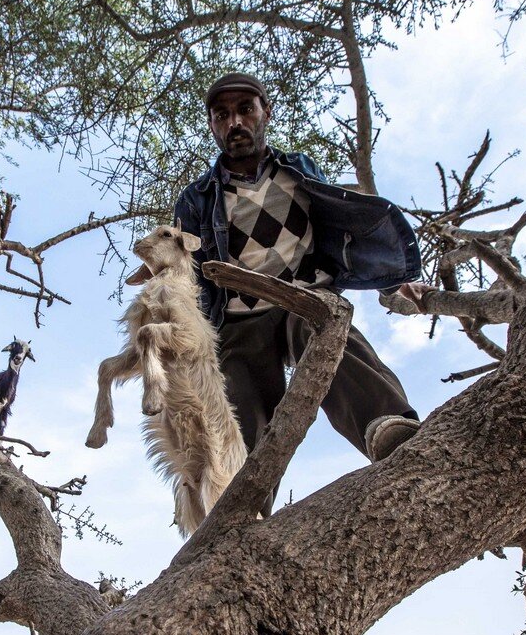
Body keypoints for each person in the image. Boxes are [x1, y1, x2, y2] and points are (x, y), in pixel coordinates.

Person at [167, 72, 430, 512]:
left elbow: (337, 224)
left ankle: (386, 425)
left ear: (265, 113)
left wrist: (393, 274)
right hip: (237, 317)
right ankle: (239, 508)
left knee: (329, 335)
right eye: (222, 115)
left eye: (245, 110)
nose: (235, 122)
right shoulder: (196, 198)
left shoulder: (300, 169)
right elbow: (184, 274)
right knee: (238, 406)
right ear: (213, 125)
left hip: (304, 298)